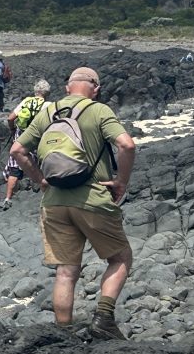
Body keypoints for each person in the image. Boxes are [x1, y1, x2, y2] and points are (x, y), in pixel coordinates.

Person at [10, 67, 136, 340]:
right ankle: (103, 318)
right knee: (120, 257)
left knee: (66, 272)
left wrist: (40, 179)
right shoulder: (99, 110)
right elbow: (126, 145)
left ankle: (63, 334)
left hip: (54, 202)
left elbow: (18, 151)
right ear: (96, 88)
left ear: (67, 88)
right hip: (93, 199)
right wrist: (120, 181)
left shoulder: (47, 111)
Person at [1, 79, 52, 208]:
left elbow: (10, 118)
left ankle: (8, 198)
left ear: (36, 91)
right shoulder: (48, 105)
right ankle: (47, 196)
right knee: (40, 167)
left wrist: (13, 129)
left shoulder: (26, 101)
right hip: (37, 138)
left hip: (20, 136)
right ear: (47, 93)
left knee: (15, 167)